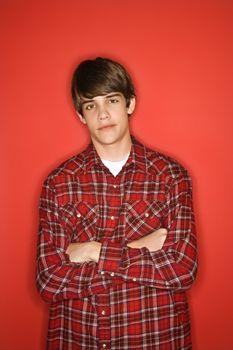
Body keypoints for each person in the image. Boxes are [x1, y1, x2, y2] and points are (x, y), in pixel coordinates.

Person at [36, 57, 198, 349]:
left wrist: (91, 251)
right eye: (91, 105)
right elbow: (49, 280)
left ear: (130, 104)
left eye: (111, 100)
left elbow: (182, 269)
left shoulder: (170, 176)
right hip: (79, 339)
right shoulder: (58, 184)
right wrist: (138, 248)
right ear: (81, 115)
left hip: (154, 339)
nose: (102, 114)